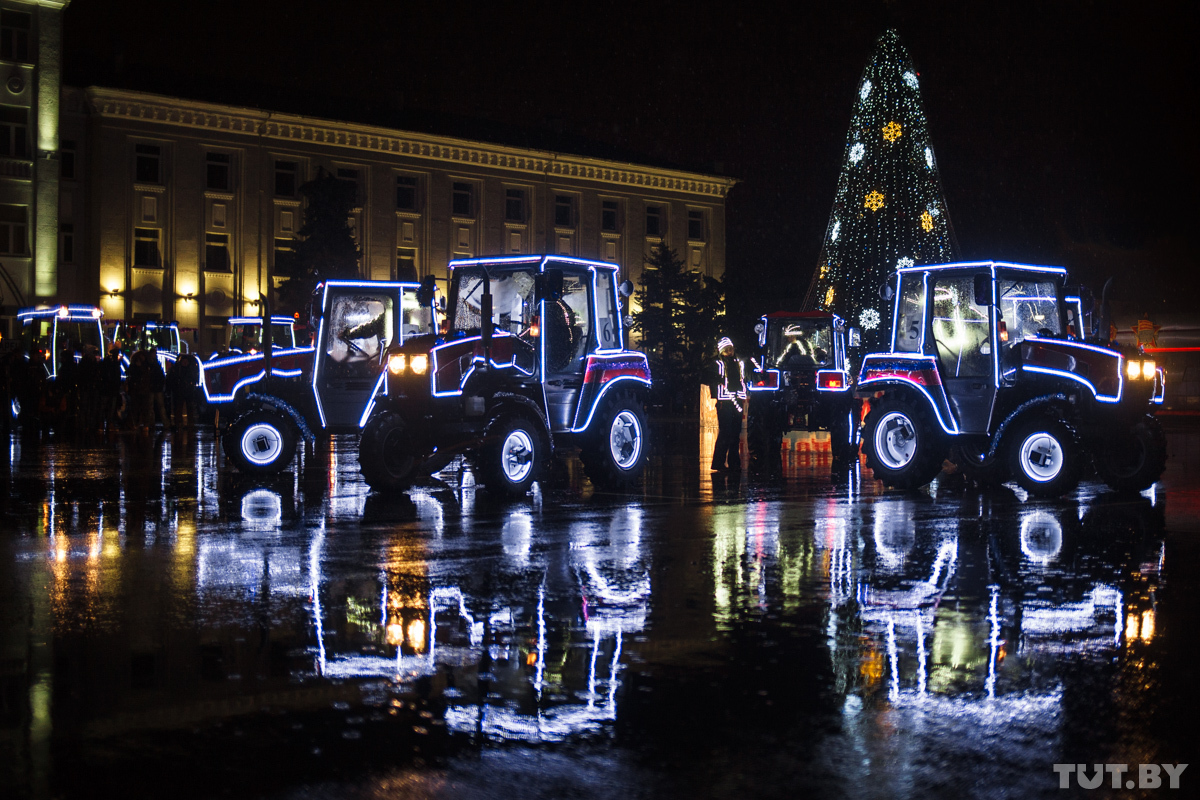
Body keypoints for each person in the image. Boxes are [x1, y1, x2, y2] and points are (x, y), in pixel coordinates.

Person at [710, 336, 747, 472]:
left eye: (730, 349)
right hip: (724, 402)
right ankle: (719, 462)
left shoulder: (738, 363)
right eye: (726, 350)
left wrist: (742, 393)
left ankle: (734, 462)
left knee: (735, 433)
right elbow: (712, 379)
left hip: (736, 400)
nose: (729, 352)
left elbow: (742, 378)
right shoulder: (717, 364)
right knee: (725, 432)